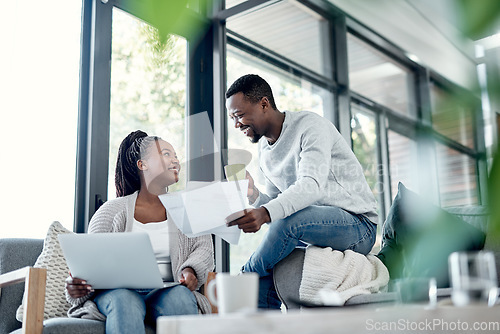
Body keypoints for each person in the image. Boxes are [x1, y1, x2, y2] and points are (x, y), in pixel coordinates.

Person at [225, 74, 378, 309]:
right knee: (267, 276)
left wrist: (265, 213)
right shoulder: (265, 151)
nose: (236, 124)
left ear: (264, 104)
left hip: (358, 226)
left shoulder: (310, 126)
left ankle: (244, 276)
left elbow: (310, 186)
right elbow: (279, 203)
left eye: (240, 115)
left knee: (289, 222)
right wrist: (255, 195)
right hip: (314, 228)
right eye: (232, 118)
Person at [65, 130, 214, 333]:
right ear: (142, 165)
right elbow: (90, 261)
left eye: (176, 155)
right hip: (116, 293)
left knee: (180, 298)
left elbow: (203, 248)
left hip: (166, 291)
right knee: (125, 300)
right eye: (166, 154)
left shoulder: (188, 211)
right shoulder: (110, 212)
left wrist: (190, 270)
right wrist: (78, 286)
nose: (175, 160)